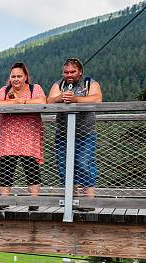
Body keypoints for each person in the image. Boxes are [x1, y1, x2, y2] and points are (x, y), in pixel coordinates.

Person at [0, 62, 46, 208]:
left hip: (29, 134)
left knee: (31, 167)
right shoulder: (4, 90)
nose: (16, 79)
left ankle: (34, 202)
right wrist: (14, 103)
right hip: (8, 135)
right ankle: (4, 201)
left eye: (19, 76)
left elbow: (42, 101)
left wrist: (20, 101)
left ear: (25, 77)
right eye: (13, 76)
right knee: (6, 167)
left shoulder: (35, 88)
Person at [46, 58, 103, 198]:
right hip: (63, 134)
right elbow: (49, 100)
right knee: (64, 167)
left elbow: (97, 99)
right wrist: (61, 97)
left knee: (84, 164)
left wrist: (76, 99)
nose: (69, 75)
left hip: (86, 134)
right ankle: (71, 200)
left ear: (80, 72)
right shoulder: (59, 85)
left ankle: (89, 201)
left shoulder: (90, 83)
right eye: (66, 72)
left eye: (73, 71)